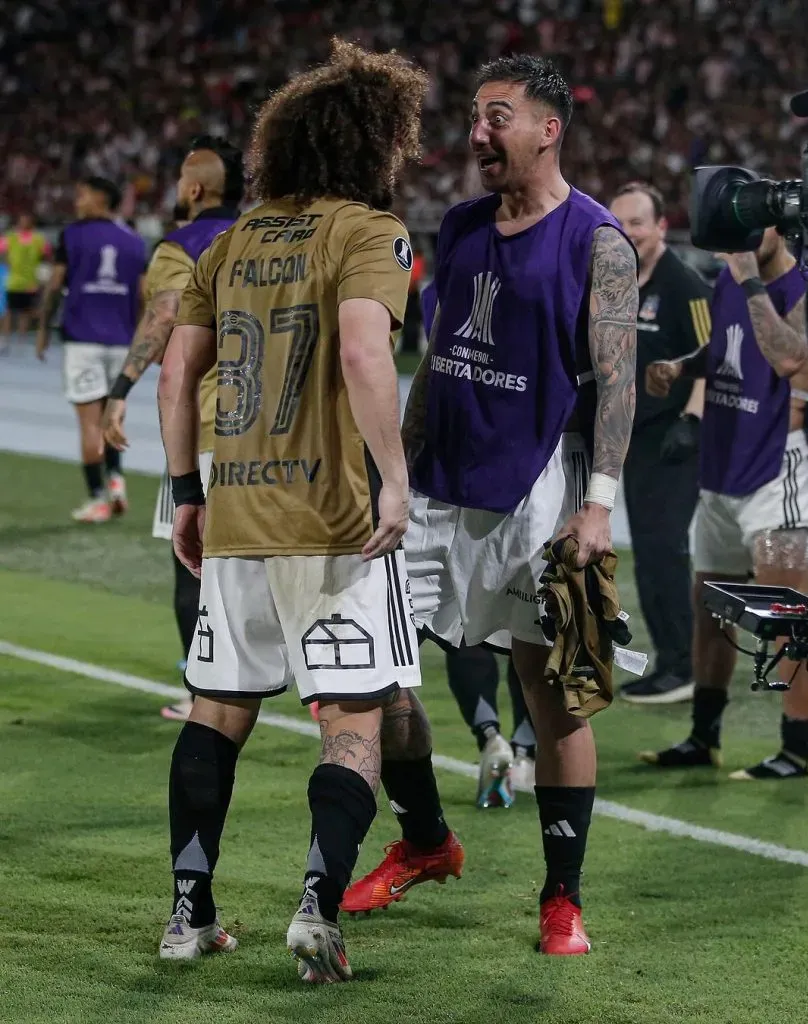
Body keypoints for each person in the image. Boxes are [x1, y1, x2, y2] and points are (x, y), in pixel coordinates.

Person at [156, 39, 461, 982]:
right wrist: (395, 482)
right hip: (334, 523)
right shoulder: (370, 233)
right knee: (354, 723)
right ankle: (317, 907)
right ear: (373, 145)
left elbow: (176, 373)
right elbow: (365, 355)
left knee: (215, 713)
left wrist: (186, 494)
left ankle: (188, 914)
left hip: (237, 511)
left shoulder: (231, 240)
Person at [343, 55, 638, 954]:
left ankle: (561, 898)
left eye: (496, 117)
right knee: (375, 675)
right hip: (436, 484)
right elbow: (435, 359)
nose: (476, 133)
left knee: (552, 698)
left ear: (549, 129)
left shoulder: (596, 240)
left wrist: (597, 506)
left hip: (538, 489)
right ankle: (427, 841)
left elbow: (617, 385)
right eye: (474, 116)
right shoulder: (460, 223)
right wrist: (391, 472)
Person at [640, 227, 808, 779]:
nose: (743, 236)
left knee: (787, 617)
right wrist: (682, 366)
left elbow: (792, 358)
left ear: (780, 222)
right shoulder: (729, 281)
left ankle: (795, 749)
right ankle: (704, 737)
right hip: (722, 464)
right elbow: (724, 346)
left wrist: (748, 280)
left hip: (776, 467)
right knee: (712, 609)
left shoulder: (806, 287)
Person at [102, 136, 244, 721]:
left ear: (194, 189)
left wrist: (119, 390)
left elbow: (164, 315)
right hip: (274, 431)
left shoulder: (180, 246)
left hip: (205, 425)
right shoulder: (263, 236)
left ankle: (202, 693)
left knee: (194, 565)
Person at [419, 279, 537, 806]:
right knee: (529, 628)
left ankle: (490, 735)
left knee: (466, 623)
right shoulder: (541, 281)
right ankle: (525, 750)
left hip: (456, 474)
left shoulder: (440, 289)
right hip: (530, 474)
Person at [608, 182, 712, 704]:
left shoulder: (685, 285)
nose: (628, 233)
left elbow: (714, 357)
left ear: (661, 227)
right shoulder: (618, 283)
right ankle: (672, 660)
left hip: (677, 438)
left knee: (664, 548)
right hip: (638, 437)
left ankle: (685, 666)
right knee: (648, 551)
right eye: (619, 223)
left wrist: (691, 420)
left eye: (637, 223)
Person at [37, 178, 146, 522]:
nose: (77, 201)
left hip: (83, 340)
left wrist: (43, 329)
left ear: (101, 198)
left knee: (90, 424)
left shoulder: (72, 235)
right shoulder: (134, 240)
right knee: (113, 418)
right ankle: (116, 483)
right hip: (122, 343)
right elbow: (144, 296)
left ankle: (97, 499)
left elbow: (55, 285)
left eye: (82, 195)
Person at [0, 213, 52, 349]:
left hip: (30, 281)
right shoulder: (10, 237)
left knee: (25, 312)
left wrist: (43, 273)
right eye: (22, 220)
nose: (24, 223)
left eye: (26, 220)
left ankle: (21, 340)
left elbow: (47, 255)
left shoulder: (39, 239)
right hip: (13, 280)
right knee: (8, 310)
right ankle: (5, 339)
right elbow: (2, 251)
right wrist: (7, 262)